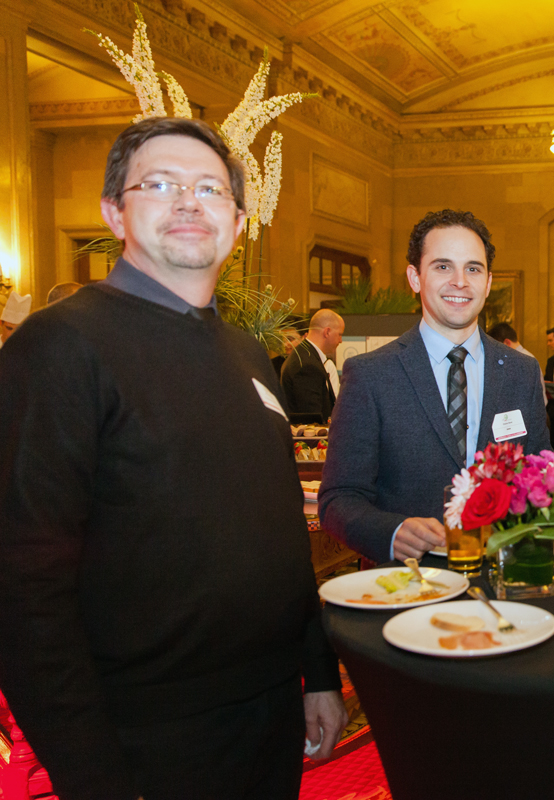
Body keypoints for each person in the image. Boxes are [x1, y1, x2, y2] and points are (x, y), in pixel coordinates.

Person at [0, 117, 346, 800]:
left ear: (238, 223)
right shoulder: (59, 348)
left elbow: (279, 528)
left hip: (270, 711)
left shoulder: (247, 353)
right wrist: (91, 774)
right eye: (159, 184)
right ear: (114, 212)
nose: (189, 201)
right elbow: (22, 588)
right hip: (146, 736)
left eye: (210, 189)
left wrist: (319, 673)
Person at [319, 210, 551, 564]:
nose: (460, 281)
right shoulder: (371, 375)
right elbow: (338, 499)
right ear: (415, 277)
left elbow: (539, 477)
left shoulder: (521, 372)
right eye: (443, 266)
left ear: (488, 282)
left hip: (501, 577)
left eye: (473, 269)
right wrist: (392, 532)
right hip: (408, 582)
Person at [281, 309, 344, 421]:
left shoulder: (305, 355)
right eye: (339, 334)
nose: (341, 340)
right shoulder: (307, 364)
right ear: (327, 332)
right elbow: (312, 419)